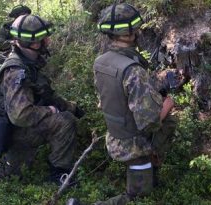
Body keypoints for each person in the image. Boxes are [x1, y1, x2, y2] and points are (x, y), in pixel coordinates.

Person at [67, 3, 176, 205]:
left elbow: (114, 97)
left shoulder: (101, 62)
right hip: (134, 145)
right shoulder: (133, 70)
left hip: (114, 136)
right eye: (135, 28)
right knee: (139, 198)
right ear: (129, 33)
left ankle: (148, 169)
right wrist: (167, 105)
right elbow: (150, 122)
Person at [0, 14, 83, 185]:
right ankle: (59, 175)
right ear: (33, 42)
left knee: (68, 113)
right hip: (13, 133)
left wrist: (71, 107)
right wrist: (49, 111)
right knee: (65, 121)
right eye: (44, 38)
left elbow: (44, 94)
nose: (48, 41)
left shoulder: (27, 61)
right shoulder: (16, 69)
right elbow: (20, 116)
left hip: (13, 128)